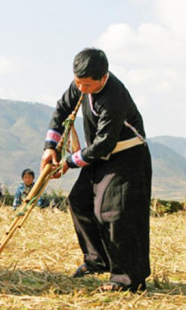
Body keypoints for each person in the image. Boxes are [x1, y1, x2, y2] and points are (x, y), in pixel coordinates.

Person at [41, 48, 152, 292]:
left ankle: (128, 279)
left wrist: (69, 162)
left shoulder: (114, 96)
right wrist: (50, 147)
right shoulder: (80, 85)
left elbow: (105, 143)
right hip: (98, 156)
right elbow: (62, 111)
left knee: (113, 212)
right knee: (79, 200)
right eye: (78, 83)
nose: (81, 89)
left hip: (126, 157)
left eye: (88, 85)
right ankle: (97, 260)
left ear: (104, 78)